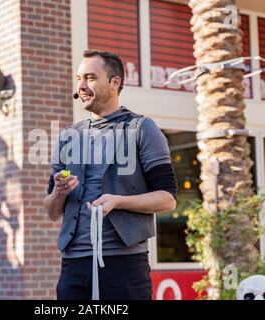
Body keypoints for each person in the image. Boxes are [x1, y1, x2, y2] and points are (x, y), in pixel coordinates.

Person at [43, 49, 177, 300]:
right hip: (74, 264)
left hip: (124, 265)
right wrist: (58, 193)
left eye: (90, 77)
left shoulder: (142, 129)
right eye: (78, 78)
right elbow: (51, 211)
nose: (81, 85)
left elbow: (167, 198)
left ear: (115, 82)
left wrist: (118, 201)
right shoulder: (68, 137)